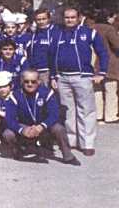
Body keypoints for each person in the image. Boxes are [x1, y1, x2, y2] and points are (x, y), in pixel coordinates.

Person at [49, 8, 108, 156]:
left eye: (72, 17)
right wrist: (53, 76)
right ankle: (70, 141)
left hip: (82, 77)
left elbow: (102, 52)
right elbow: (51, 56)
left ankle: (87, 143)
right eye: (67, 17)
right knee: (68, 111)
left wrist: (102, 72)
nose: (69, 20)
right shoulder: (57, 34)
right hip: (62, 78)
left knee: (86, 110)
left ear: (78, 17)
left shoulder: (88, 32)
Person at [4, 69, 80, 166]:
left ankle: (68, 156)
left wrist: (42, 126)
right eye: (26, 81)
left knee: (59, 128)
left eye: (33, 81)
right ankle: (18, 150)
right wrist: (22, 130)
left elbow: (54, 114)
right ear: (22, 82)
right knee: (8, 133)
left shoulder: (47, 93)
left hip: (43, 126)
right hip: (25, 126)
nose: (30, 84)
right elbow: (9, 118)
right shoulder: (15, 95)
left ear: (39, 82)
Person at [88, 11, 119, 123]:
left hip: (94, 63)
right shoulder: (109, 29)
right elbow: (117, 44)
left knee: (97, 90)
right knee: (110, 89)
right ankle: (111, 116)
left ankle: (98, 115)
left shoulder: (90, 28)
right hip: (110, 63)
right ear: (108, 17)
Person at [26, 8, 58, 86]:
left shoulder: (54, 32)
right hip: (35, 71)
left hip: (47, 71)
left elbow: (55, 55)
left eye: (44, 19)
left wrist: (53, 75)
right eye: (38, 19)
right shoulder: (33, 34)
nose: (41, 22)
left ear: (49, 19)